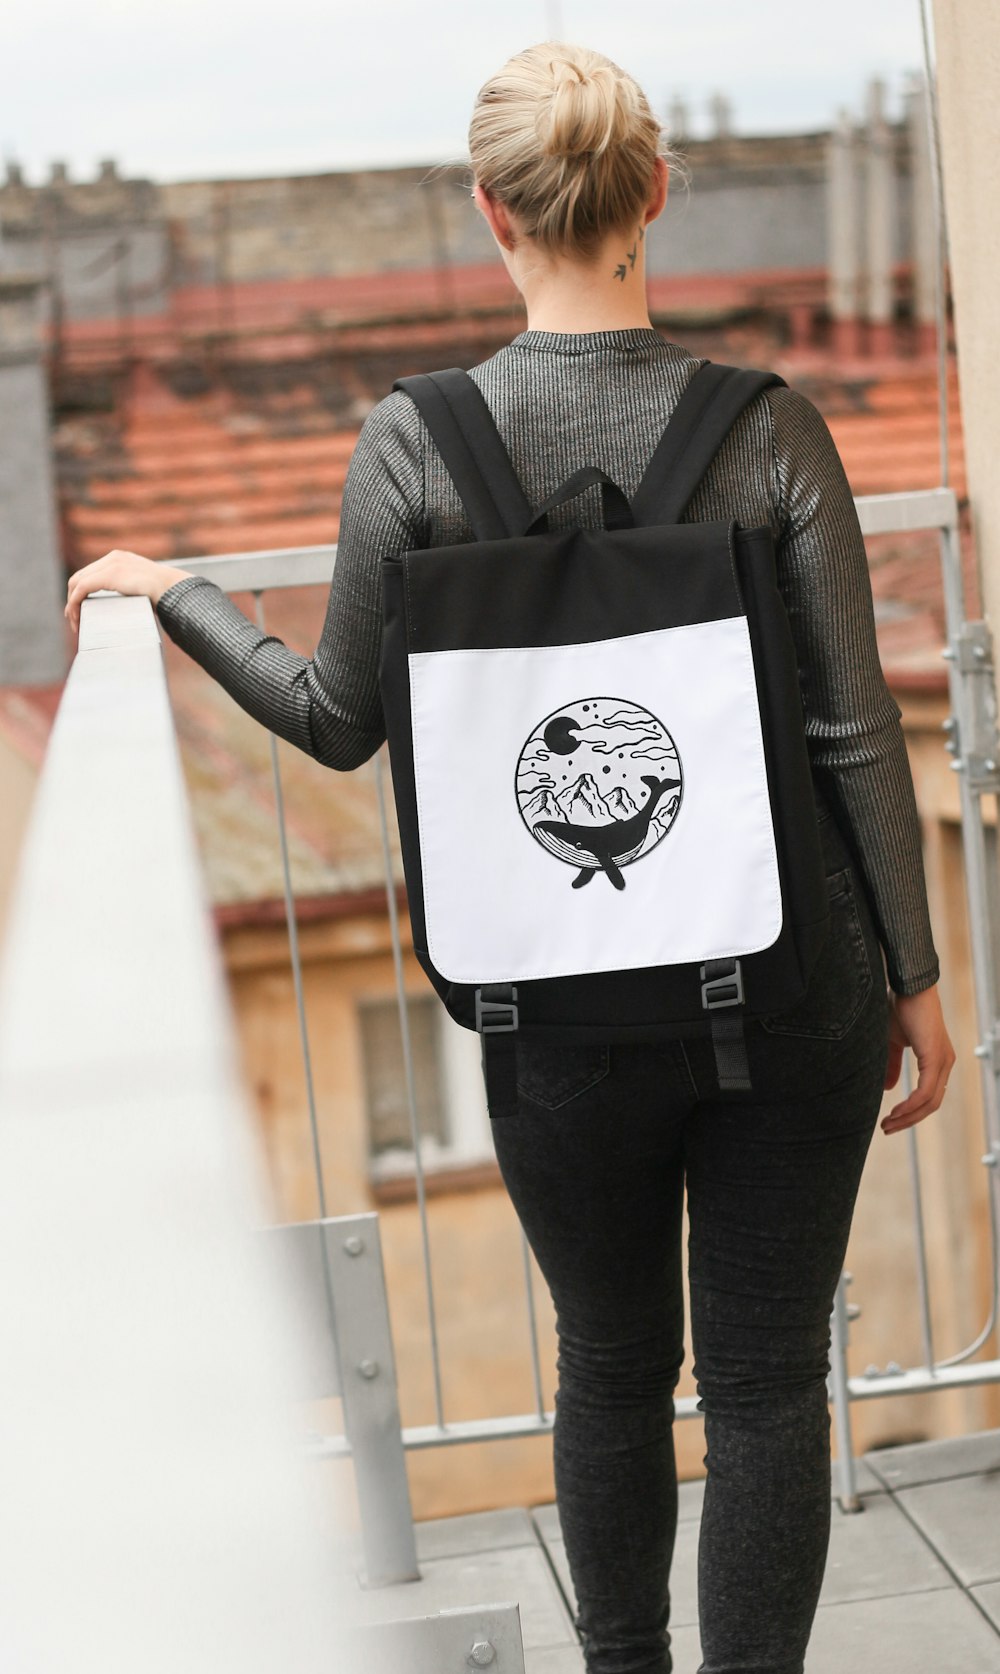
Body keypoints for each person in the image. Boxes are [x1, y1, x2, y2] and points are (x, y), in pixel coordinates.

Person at [65, 42, 954, 1674]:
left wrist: (178, 591)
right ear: (655, 198)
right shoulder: (769, 430)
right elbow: (847, 735)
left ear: (490, 212)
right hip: (791, 984)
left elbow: (338, 719)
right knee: (764, 1382)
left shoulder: (413, 445)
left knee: (609, 1365)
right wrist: (917, 977)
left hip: (552, 1013)